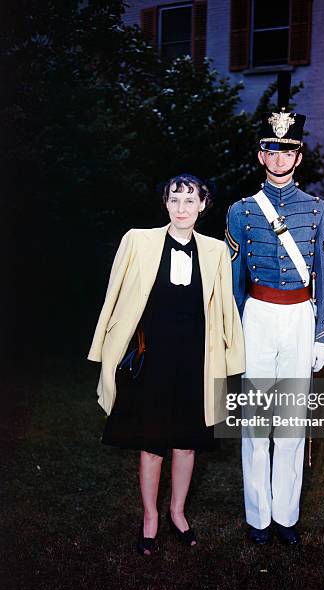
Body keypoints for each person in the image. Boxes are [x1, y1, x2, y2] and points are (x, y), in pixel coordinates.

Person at [88, 174, 245, 555]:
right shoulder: (138, 241)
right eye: (175, 200)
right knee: (152, 442)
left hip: (196, 359)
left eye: (190, 201)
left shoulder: (215, 251)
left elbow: (225, 307)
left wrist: (233, 356)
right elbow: (115, 296)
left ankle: (177, 512)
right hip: (152, 358)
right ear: (165, 204)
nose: (181, 208)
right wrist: (105, 344)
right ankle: (150, 517)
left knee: (187, 443)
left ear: (203, 206)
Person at [225, 102, 324, 545]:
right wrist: (233, 334)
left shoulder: (318, 209)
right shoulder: (240, 211)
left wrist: (323, 333)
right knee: (255, 422)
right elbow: (235, 281)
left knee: (290, 422)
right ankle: (258, 518)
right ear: (260, 155)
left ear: (298, 157)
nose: (278, 159)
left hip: (298, 317)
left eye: (286, 152)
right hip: (256, 316)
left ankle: (286, 517)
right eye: (270, 151)